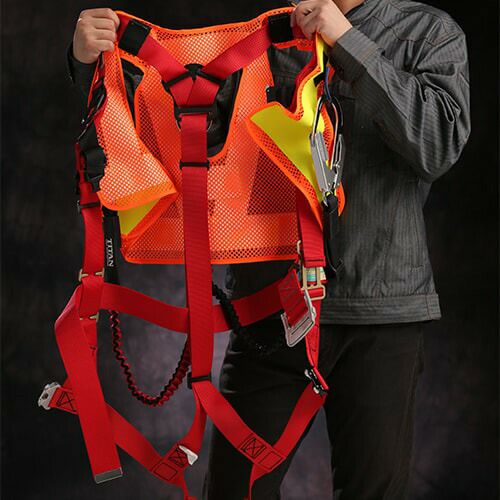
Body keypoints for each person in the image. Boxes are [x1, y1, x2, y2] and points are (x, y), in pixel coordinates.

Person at [68, 0, 470, 498]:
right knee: (234, 491)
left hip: (382, 314)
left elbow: (436, 144)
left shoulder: (427, 33)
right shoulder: (263, 38)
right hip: (269, 311)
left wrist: (347, 41)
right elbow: (173, 123)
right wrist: (92, 63)